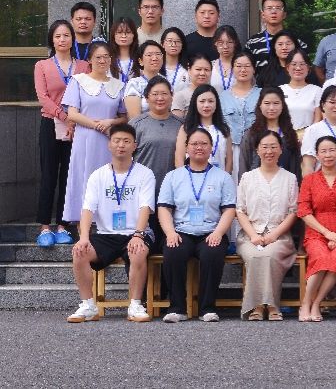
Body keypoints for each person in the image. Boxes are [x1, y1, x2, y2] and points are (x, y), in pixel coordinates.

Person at [66, 123, 155, 323]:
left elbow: (145, 207)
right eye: (117, 141)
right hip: (106, 234)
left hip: (136, 232)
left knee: (138, 250)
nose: (121, 145)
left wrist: (138, 234)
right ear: (109, 144)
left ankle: (135, 304)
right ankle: (88, 305)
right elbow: (88, 209)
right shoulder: (98, 175)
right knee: (80, 252)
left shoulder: (145, 173)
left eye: (126, 141)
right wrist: (84, 238)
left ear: (134, 146)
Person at [156, 127, 237, 323]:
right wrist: (170, 233)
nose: (199, 147)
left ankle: (207, 308)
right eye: (194, 144)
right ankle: (177, 307)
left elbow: (229, 210)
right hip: (181, 231)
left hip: (211, 231)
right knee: (173, 251)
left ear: (211, 147)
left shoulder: (223, 177)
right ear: (186, 148)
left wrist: (218, 233)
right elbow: (164, 208)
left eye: (204, 144)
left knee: (212, 253)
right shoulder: (173, 176)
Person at [33, 19, 87, 246]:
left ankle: (63, 225)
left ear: (72, 39)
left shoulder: (84, 66)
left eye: (66, 35)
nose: (62, 40)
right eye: (58, 36)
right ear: (52, 40)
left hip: (77, 126)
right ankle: (45, 227)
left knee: (69, 175)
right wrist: (65, 116)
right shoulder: (42, 65)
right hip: (51, 123)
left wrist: (76, 119)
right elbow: (43, 97)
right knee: (49, 175)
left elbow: (87, 94)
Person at [235, 132, 299, 321]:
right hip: (250, 235)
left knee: (269, 255)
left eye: (273, 147)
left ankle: (271, 305)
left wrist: (274, 235)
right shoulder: (247, 177)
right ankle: (257, 306)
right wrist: (253, 235)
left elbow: (293, 212)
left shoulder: (290, 178)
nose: (269, 151)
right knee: (255, 255)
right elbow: (240, 211)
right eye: (264, 147)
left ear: (280, 150)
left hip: (280, 236)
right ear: (257, 150)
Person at [61, 42, 126, 228]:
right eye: (98, 57)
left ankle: (106, 225)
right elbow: (72, 114)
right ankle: (84, 228)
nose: (102, 60)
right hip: (85, 139)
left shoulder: (119, 85)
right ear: (89, 59)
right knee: (84, 179)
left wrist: (109, 123)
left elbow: (124, 117)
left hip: (109, 141)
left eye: (106, 57)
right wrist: (97, 125)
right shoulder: (78, 81)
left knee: (108, 180)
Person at [297, 135, 336, 323]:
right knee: (322, 257)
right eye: (323, 151)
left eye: (332, 150)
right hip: (316, 233)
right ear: (317, 155)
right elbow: (303, 211)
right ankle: (305, 303)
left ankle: (316, 303)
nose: (328, 155)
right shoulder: (309, 180)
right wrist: (326, 233)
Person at [131, 77, 180, 243]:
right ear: (146, 97)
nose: (160, 98)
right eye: (155, 94)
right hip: (144, 192)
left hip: (173, 192)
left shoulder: (182, 125)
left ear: (172, 96)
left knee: (170, 241)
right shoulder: (136, 124)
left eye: (164, 94)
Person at [238, 87, 302, 177]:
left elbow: (296, 167)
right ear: (260, 105)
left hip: (285, 182)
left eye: (276, 103)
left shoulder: (289, 134)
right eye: (267, 103)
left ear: (283, 105)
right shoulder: (251, 134)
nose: (271, 108)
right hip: (256, 183)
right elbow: (244, 165)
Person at [173, 84, 232, 174]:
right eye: (202, 101)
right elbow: (179, 159)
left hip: (219, 178)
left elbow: (229, 160)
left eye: (211, 101)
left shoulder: (224, 129)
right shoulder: (187, 128)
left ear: (216, 103)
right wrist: (185, 179)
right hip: (192, 179)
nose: (206, 105)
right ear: (195, 103)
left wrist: (225, 178)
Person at [220, 51, 261, 171]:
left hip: (256, 148)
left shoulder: (262, 94)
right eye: (238, 66)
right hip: (230, 149)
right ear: (232, 69)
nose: (243, 70)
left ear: (254, 69)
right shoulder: (222, 97)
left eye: (247, 66)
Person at [245, 0, 308, 71]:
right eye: (269, 8)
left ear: (284, 14)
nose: (273, 12)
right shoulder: (253, 42)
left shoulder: (297, 41)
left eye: (278, 8)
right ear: (263, 14)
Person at [280, 49, 322, 134]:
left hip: (308, 137)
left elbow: (318, 119)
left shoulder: (317, 91)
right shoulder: (279, 90)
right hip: (283, 137)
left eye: (302, 64)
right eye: (294, 64)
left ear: (308, 68)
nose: (298, 68)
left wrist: (306, 136)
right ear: (287, 67)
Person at [124, 41, 165, 119]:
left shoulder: (165, 82)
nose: (154, 58)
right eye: (149, 55)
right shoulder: (134, 84)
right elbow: (135, 119)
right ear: (140, 61)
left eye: (158, 54)